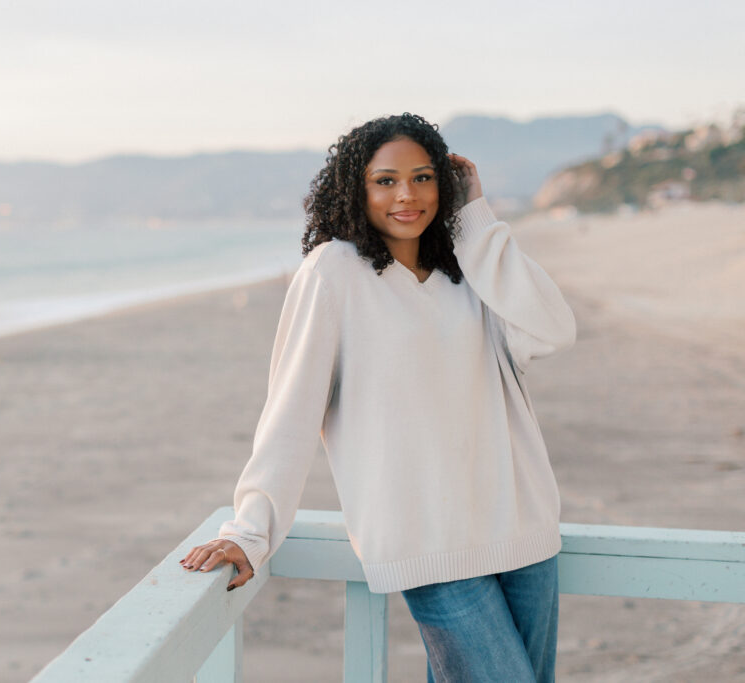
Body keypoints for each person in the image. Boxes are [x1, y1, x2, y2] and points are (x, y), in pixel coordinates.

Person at [179, 112, 576, 682]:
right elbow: (291, 412)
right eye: (385, 180)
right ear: (355, 187)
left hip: (524, 528)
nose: (406, 195)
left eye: (423, 177)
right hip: (428, 542)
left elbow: (554, 329)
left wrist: (476, 220)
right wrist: (249, 531)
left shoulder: (470, 271)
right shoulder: (332, 272)